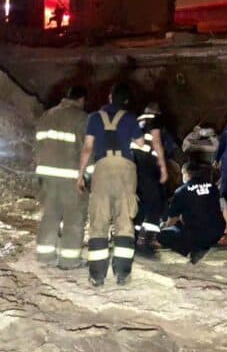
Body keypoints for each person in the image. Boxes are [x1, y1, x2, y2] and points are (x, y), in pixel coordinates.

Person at [77, 83, 144, 287]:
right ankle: (122, 274)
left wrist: (80, 174)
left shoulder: (94, 117)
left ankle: (97, 275)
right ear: (126, 101)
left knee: (99, 221)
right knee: (124, 220)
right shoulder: (130, 118)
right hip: (125, 169)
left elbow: (88, 147)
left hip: (102, 168)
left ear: (109, 97)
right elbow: (141, 143)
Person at [34, 85, 89, 269]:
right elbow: (88, 149)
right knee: (73, 217)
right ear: (81, 100)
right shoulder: (81, 118)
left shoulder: (46, 116)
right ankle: (69, 259)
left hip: (47, 176)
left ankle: (44, 255)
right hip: (71, 177)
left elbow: (38, 146)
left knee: (50, 214)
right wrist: (88, 174)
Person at [159, 159, 227, 264]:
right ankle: (202, 247)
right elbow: (220, 207)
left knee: (162, 235)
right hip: (216, 231)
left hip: (196, 233)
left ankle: (192, 250)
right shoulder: (213, 187)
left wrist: (163, 226)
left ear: (186, 174)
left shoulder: (181, 191)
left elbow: (172, 220)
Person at [132, 102, 169, 257]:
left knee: (141, 204)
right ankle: (147, 241)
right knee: (156, 202)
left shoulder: (136, 120)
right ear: (158, 112)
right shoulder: (155, 120)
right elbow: (156, 141)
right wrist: (163, 167)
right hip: (149, 166)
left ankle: (133, 239)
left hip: (134, 165)